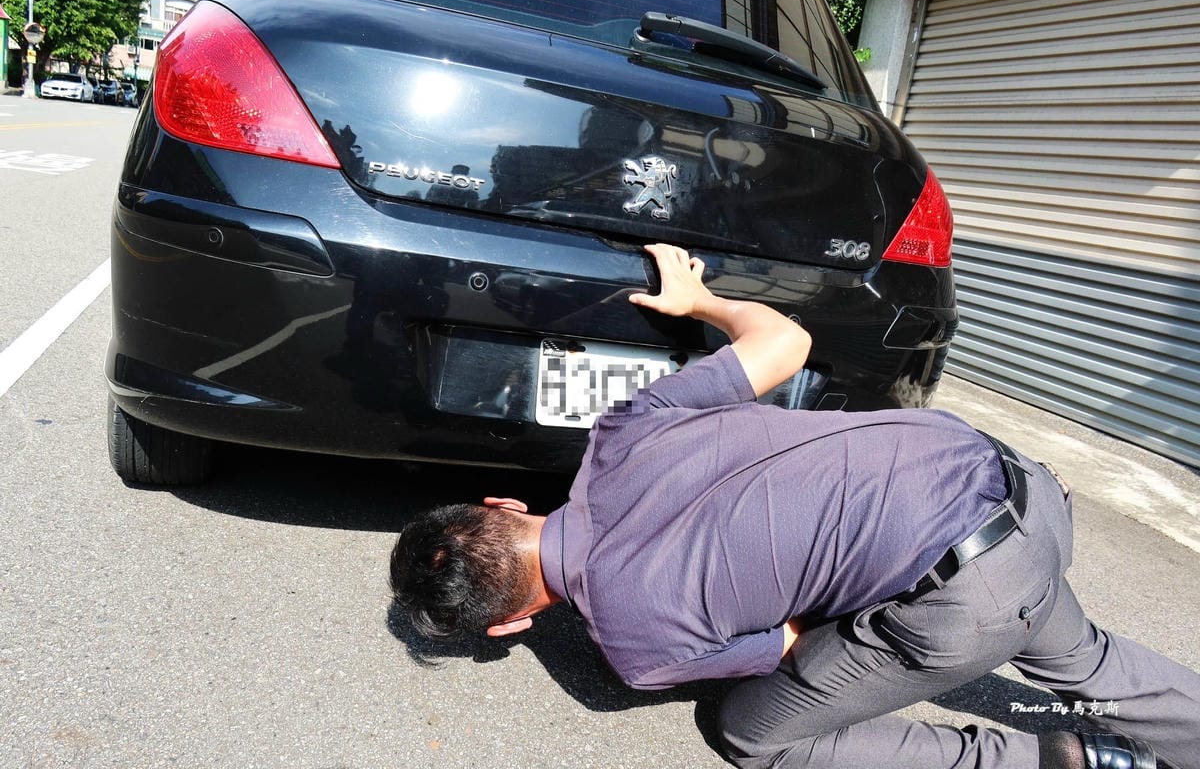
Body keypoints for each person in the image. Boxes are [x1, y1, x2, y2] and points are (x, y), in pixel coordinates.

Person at [390, 243, 1200, 769]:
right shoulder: (623, 430)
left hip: (980, 593)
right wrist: (698, 300)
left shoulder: (636, 651)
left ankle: (1053, 763)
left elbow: (796, 641)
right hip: (1018, 479)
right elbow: (786, 345)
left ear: (509, 624)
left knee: (753, 735)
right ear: (504, 503)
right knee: (1085, 659)